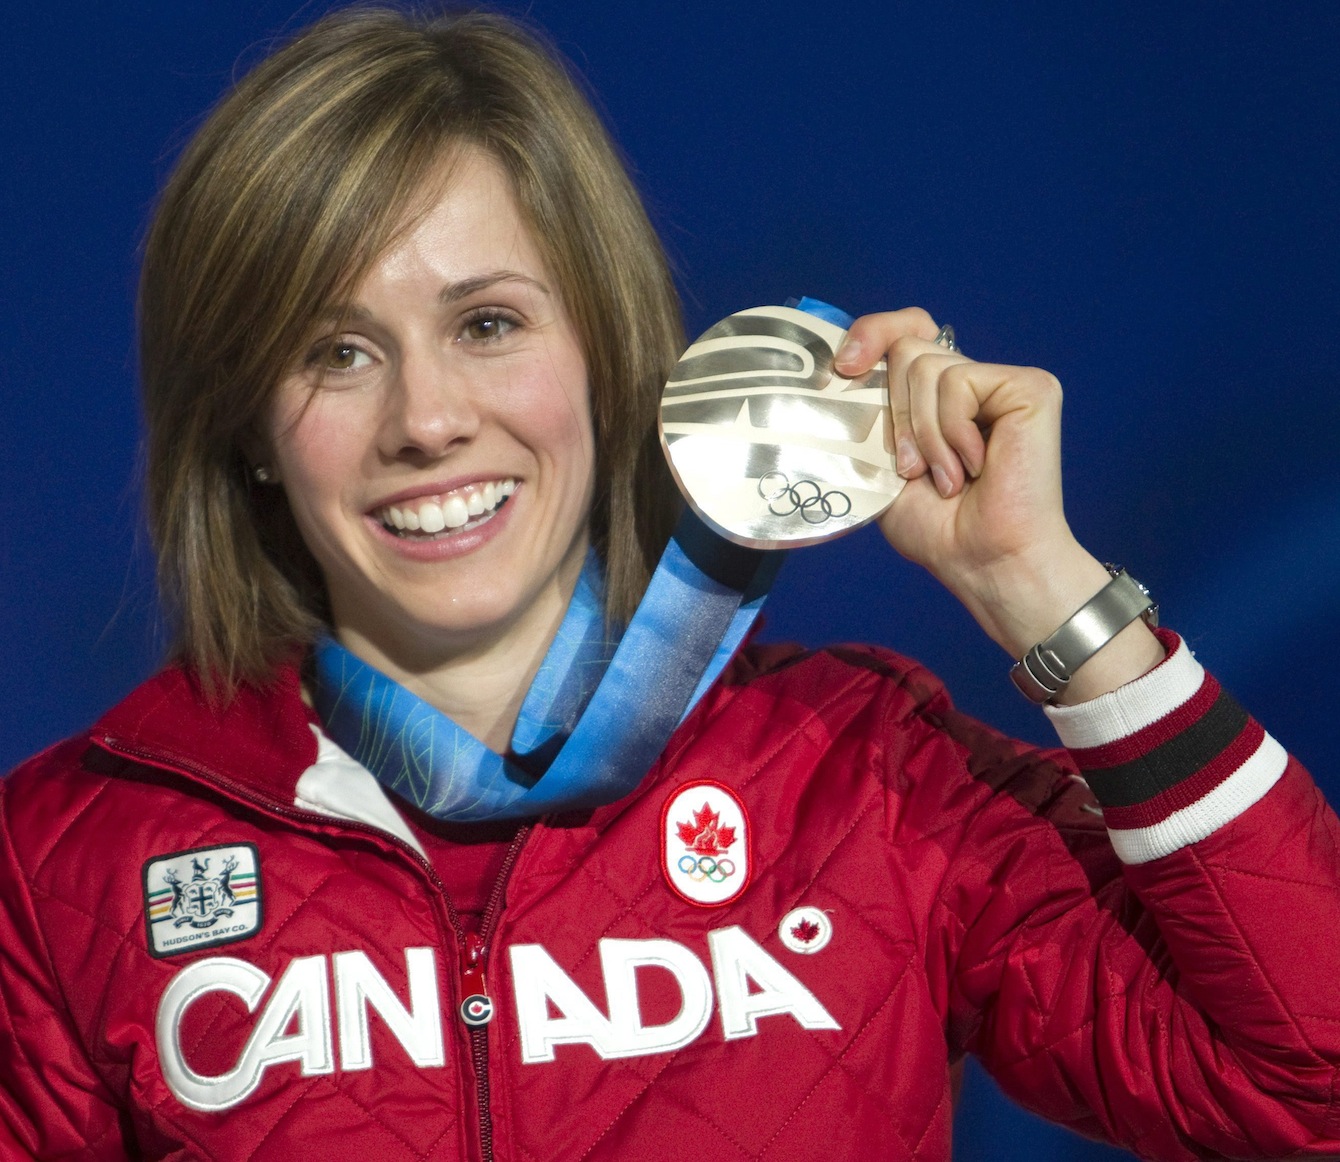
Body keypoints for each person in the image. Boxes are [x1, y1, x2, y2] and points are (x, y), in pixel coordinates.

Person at [1, 7, 1336, 1161]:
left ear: (605, 347)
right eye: (335, 352)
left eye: (487, 324)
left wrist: (1045, 586)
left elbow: (1307, 1085)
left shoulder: (861, 779)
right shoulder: (79, 860)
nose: (425, 417)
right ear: (243, 425)